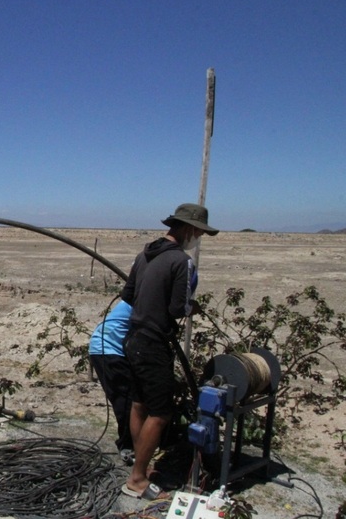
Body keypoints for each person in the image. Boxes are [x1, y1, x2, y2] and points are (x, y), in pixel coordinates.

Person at [120, 203, 218, 500]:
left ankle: (141, 466)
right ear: (188, 229)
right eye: (199, 232)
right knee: (161, 412)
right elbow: (179, 308)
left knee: (140, 404)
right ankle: (136, 479)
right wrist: (193, 307)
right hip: (153, 344)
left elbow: (128, 295)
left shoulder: (144, 254)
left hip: (133, 338)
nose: (198, 238)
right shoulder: (181, 261)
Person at [88, 300, 134, 464]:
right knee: (126, 399)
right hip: (107, 349)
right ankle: (127, 445)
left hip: (106, 348)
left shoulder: (135, 298)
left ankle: (130, 441)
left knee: (128, 397)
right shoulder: (142, 301)